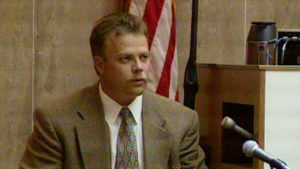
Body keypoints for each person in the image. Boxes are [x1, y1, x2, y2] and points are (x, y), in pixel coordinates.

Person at [20, 13, 207, 169]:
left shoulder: (181, 121)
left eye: (144, 57)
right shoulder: (56, 122)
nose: (139, 67)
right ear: (100, 65)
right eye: (126, 59)